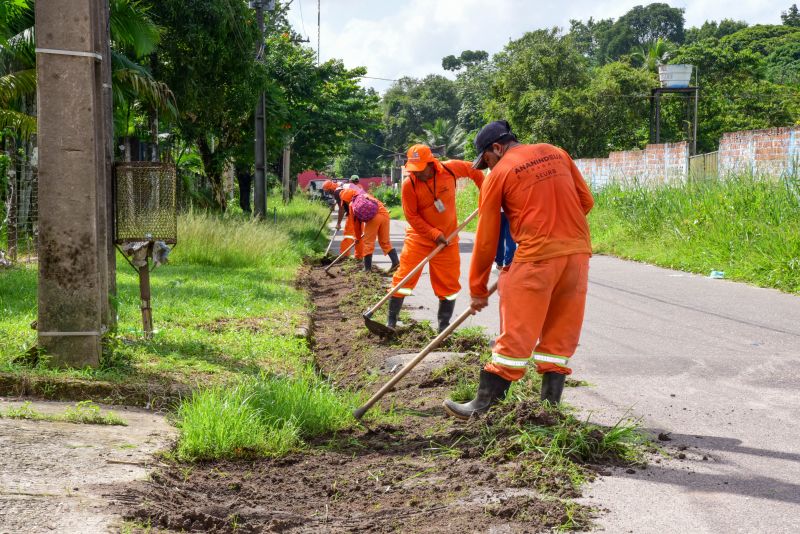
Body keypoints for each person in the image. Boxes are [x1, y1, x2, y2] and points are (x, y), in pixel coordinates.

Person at [443, 120, 595, 420]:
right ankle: (549, 410)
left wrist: (477, 288)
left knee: (516, 335)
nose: (486, 168)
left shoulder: (498, 174)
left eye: (486, 161)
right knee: (559, 337)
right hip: (577, 255)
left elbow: (486, 240)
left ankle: (483, 406)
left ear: (496, 148)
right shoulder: (557, 152)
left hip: (535, 258)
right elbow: (585, 202)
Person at [388, 144, 484, 333]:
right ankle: (391, 322)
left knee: (448, 285)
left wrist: (485, 194)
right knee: (404, 278)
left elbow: (476, 171)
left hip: (448, 239)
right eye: (413, 169)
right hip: (419, 239)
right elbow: (412, 216)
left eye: (420, 168)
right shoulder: (410, 184)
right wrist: (433, 234)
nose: (417, 173)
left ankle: (443, 328)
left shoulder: (450, 168)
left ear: (431, 163)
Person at [339, 188, 399, 272]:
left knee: (368, 243)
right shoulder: (365, 195)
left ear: (346, 199)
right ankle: (395, 262)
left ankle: (367, 269)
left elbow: (356, 225)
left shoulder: (352, 204)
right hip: (384, 214)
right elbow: (379, 203)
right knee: (385, 241)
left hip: (373, 219)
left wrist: (357, 238)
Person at [323, 180, 364, 259]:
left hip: (353, 213)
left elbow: (341, 209)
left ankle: (344, 256)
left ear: (330, 189)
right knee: (358, 235)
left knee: (348, 234)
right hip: (361, 212)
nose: (329, 193)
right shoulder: (341, 185)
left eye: (328, 191)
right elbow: (343, 199)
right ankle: (359, 256)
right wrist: (335, 204)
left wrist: (338, 223)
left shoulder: (336, 192)